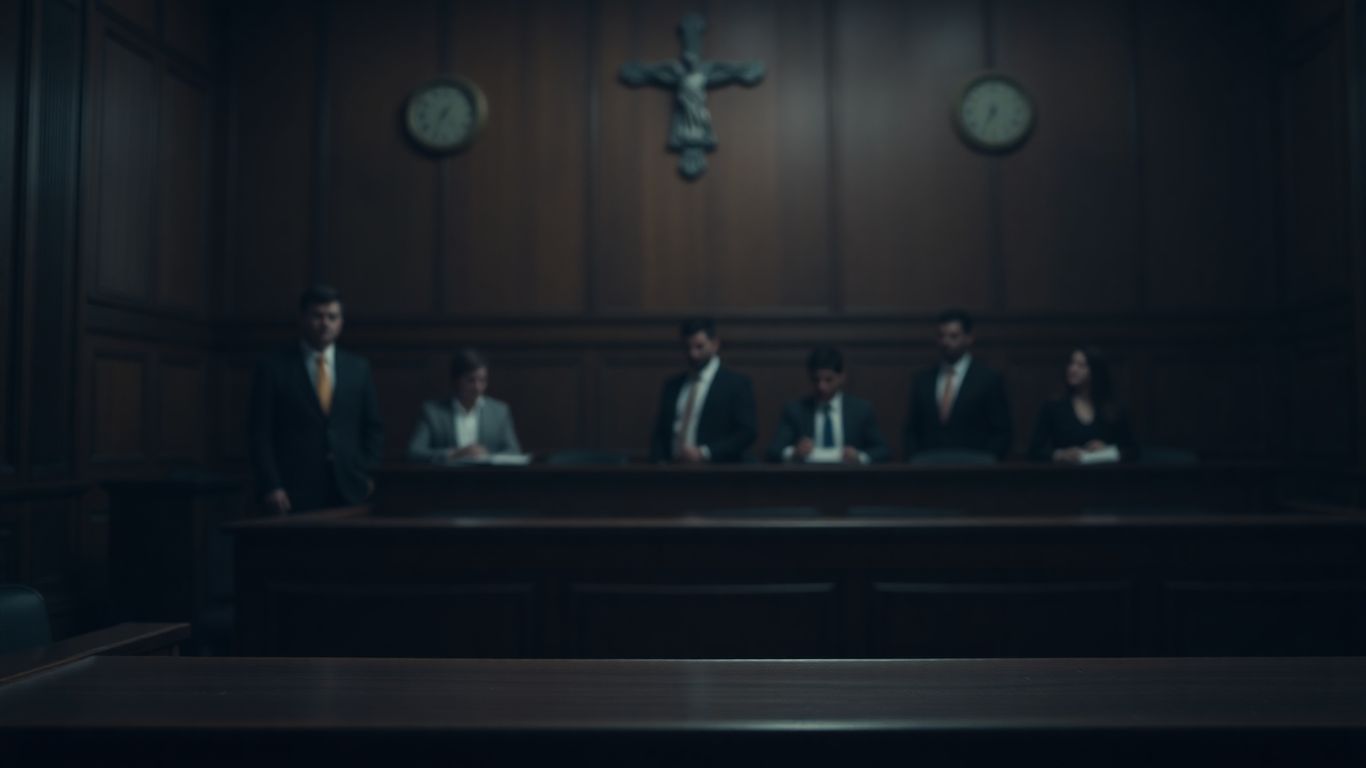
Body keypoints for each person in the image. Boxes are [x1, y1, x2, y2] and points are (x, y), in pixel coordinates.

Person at [249, 285, 383, 514]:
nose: (325, 324)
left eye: (332, 317)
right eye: (317, 316)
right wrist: (272, 484)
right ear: (303, 318)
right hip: (293, 490)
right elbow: (259, 433)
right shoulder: (273, 367)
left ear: (341, 321)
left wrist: (367, 474)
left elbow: (372, 428)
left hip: (349, 487)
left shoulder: (358, 367)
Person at [902, 309, 1012, 460]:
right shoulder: (922, 380)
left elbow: (1002, 431)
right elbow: (912, 430)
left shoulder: (988, 379)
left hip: (975, 470)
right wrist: (916, 459)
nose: (945, 342)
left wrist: (987, 462)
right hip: (929, 470)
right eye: (941, 336)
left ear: (969, 338)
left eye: (953, 336)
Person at [649, 317, 756, 463]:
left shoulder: (736, 384)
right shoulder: (672, 386)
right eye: (687, 348)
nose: (693, 354)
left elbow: (747, 432)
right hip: (671, 473)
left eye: (699, 347)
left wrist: (705, 453)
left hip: (716, 474)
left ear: (715, 344)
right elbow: (661, 433)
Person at [766, 347, 890, 464]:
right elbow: (773, 451)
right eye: (816, 380)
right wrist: (794, 452)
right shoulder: (795, 410)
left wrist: (859, 456)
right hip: (806, 480)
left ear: (841, 377)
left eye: (828, 380)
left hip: (851, 479)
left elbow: (883, 451)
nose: (821, 386)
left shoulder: (861, 410)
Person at [408, 348, 521, 462]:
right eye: (471, 380)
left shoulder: (500, 411)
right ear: (456, 380)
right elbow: (415, 452)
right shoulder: (432, 412)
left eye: (482, 380)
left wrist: (487, 455)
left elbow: (514, 451)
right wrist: (454, 454)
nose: (477, 387)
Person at [1028, 347, 1138, 464]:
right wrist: (1060, 455)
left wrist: (1108, 450)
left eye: (1081, 365)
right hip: (1065, 477)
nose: (1073, 369)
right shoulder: (1054, 406)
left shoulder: (1113, 407)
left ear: (1095, 370)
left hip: (1106, 477)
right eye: (1071, 363)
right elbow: (1035, 450)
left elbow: (1133, 451)